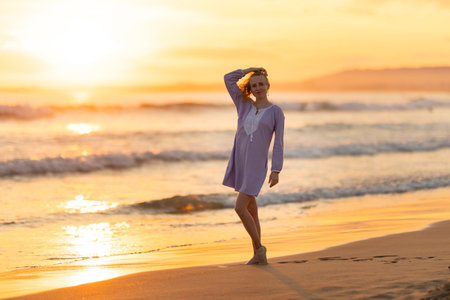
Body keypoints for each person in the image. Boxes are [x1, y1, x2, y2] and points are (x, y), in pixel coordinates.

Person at [222, 67, 285, 265]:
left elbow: (279, 142)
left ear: (268, 86)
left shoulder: (276, 112)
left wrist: (276, 170)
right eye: (254, 85)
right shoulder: (244, 104)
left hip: (256, 167)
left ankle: (259, 249)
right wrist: (248, 70)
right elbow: (228, 79)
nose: (258, 88)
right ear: (250, 88)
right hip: (240, 162)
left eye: (261, 84)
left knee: (240, 208)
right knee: (251, 210)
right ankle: (257, 255)